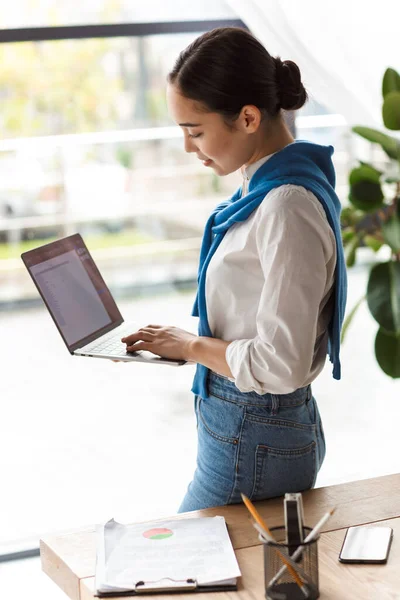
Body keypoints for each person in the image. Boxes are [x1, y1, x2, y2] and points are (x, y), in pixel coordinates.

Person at [121, 27, 347, 512]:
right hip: (250, 425)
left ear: (248, 117)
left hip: (254, 431)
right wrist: (186, 345)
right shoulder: (268, 187)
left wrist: (193, 346)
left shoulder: (286, 204)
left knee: (181, 577)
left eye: (195, 131)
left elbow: (280, 364)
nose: (187, 147)